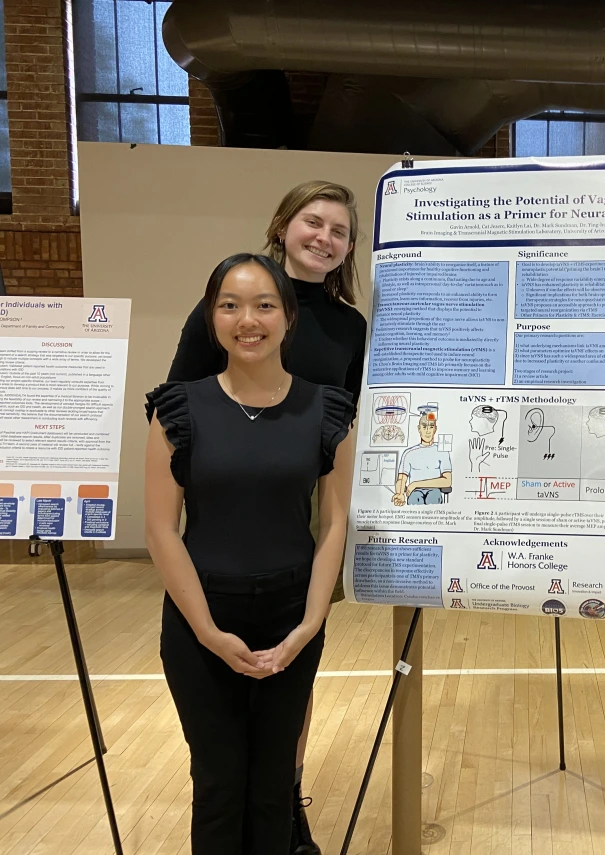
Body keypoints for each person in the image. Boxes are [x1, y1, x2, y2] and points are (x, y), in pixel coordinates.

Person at [159, 180, 366, 855]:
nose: (325, 238)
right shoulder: (226, 310)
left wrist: (311, 614)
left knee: (281, 737)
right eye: (314, 222)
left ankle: (288, 812)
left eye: (339, 230)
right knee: (221, 776)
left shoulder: (346, 328)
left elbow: (342, 446)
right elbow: (183, 414)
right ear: (284, 225)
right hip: (224, 522)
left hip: (294, 517)